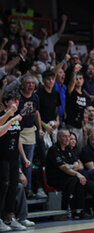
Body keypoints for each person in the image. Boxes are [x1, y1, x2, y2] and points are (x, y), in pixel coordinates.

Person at [45, 129, 94, 220]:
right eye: (65, 136)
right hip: (57, 179)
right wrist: (75, 172)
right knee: (79, 180)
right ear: (58, 138)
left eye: (69, 136)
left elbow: (78, 165)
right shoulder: (54, 149)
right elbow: (63, 168)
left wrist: (70, 166)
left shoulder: (68, 149)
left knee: (90, 183)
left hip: (69, 177)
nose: (67, 139)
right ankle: (78, 211)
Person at [0, 90, 30, 231]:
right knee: (3, 186)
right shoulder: (2, 115)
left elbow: (17, 140)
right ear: (6, 102)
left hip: (13, 158)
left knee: (13, 186)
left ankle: (10, 217)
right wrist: (10, 117)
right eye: (13, 100)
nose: (16, 103)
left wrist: (24, 157)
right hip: (2, 157)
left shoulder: (18, 118)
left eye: (18, 101)